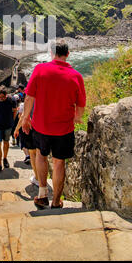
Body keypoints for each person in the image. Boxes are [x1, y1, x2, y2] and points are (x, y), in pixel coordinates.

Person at [21, 40, 86, 209]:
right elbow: (81, 106)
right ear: (68, 54)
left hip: (41, 126)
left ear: (52, 53)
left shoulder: (40, 70)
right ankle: (56, 201)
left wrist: (25, 118)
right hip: (64, 128)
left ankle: (42, 195)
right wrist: (77, 118)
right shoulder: (76, 76)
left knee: (41, 156)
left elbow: (29, 97)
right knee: (59, 163)